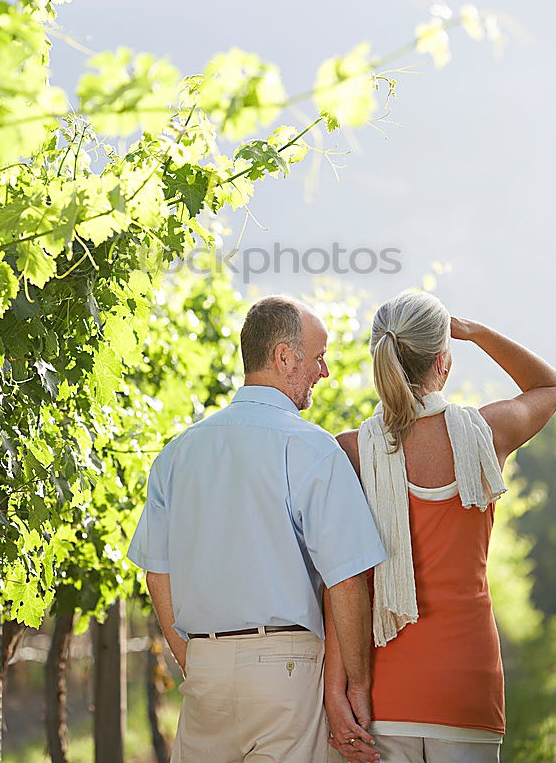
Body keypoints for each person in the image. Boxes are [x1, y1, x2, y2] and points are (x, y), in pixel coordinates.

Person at [127, 294, 386, 763]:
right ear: (284, 357)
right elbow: (346, 580)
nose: (324, 371)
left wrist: (191, 658)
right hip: (286, 674)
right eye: (319, 357)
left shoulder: (177, 453)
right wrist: (358, 684)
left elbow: (156, 572)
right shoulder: (314, 449)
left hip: (206, 673)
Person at [325, 289, 556, 763]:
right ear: (443, 360)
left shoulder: (352, 451)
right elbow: (551, 387)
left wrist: (339, 689)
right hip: (467, 684)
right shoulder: (485, 434)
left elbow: (343, 581)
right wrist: (475, 332)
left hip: (382, 687)